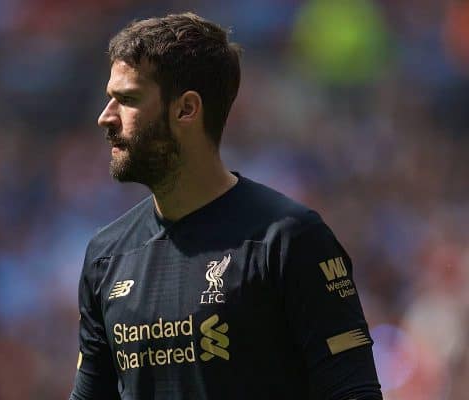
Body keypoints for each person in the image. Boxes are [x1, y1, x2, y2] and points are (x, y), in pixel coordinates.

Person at [70, 12, 382, 400]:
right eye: (109, 99)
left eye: (128, 99)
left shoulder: (288, 241)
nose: (105, 117)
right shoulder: (106, 255)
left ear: (186, 109)